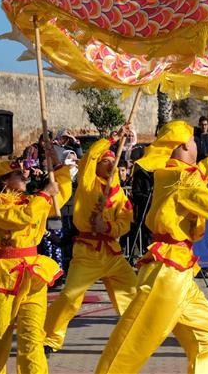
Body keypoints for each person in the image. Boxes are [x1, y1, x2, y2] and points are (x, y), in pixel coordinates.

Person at [94, 113, 208, 374]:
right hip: (165, 275)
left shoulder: (172, 173)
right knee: (129, 348)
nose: (197, 145)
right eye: (194, 141)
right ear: (184, 145)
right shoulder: (184, 181)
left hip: (179, 273)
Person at [44, 124, 138, 355]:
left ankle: (134, 337)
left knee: (132, 295)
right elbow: (90, 157)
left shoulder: (119, 194)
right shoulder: (87, 183)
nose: (111, 164)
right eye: (106, 161)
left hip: (113, 254)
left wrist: (108, 226)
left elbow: (125, 223)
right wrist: (113, 138)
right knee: (70, 297)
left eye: (113, 161)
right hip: (87, 253)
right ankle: (49, 339)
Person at [0, 159, 72, 374]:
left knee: (33, 337)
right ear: (4, 181)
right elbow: (23, 217)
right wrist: (45, 194)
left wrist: (58, 168)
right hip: (3, 276)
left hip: (33, 274)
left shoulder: (31, 201)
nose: (25, 177)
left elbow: (60, 194)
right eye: (19, 174)